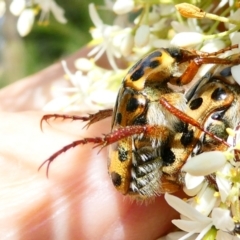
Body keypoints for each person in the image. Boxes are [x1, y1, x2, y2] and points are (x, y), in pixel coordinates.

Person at [0, 47, 181, 239]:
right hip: (131, 173)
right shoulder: (143, 95)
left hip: (135, 174)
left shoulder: (136, 91)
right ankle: (96, 138)